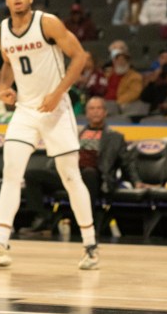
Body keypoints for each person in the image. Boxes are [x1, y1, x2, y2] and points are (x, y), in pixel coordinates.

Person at [0, 0, 99, 270]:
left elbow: (79, 57)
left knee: (70, 177)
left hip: (56, 110)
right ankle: (0, 245)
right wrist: (4, 88)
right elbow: (8, 62)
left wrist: (58, 93)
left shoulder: (47, 23)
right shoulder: (0, 32)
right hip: (25, 111)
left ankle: (90, 246)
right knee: (11, 173)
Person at [20, 96, 142, 234]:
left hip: (97, 177)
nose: (95, 111)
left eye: (99, 108)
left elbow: (127, 162)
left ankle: (86, 223)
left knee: (88, 173)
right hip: (70, 174)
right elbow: (59, 154)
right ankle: (43, 219)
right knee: (32, 175)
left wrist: (136, 181)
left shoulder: (115, 137)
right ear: (87, 113)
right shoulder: (75, 134)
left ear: (105, 112)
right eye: (91, 108)